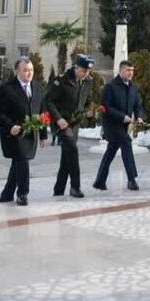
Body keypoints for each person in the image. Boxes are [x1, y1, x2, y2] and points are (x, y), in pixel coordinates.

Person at [0, 56, 48, 206]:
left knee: (18, 162)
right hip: (15, 133)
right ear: (17, 71)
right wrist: (10, 126)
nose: (29, 73)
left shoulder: (37, 88)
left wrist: (43, 135)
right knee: (23, 160)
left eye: (31, 70)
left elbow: (43, 112)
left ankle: (7, 194)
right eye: (25, 70)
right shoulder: (7, 89)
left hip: (31, 134)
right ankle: (23, 193)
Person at [44, 53, 95, 199]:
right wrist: (58, 118)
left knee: (67, 158)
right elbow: (48, 100)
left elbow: (87, 98)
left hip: (74, 123)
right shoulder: (62, 81)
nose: (86, 73)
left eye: (88, 71)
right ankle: (75, 187)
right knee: (72, 151)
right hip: (61, 124)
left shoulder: (88, 81)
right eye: (83, 70)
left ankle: (58, 189)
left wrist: (89, 110)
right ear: (76, 67)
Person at [93, 60, 143, 192]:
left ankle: (99, 181)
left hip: (124, 126)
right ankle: (132, 179)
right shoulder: (110, 86)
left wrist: (139, 117)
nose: (130, 73)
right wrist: (122, 117)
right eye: (128, 70)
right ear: (120, 71)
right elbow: (105, 107)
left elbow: (137, 105)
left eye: (132, 70)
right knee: (126, 143)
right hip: (112, 125)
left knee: (111, 151)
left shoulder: (133, 87)